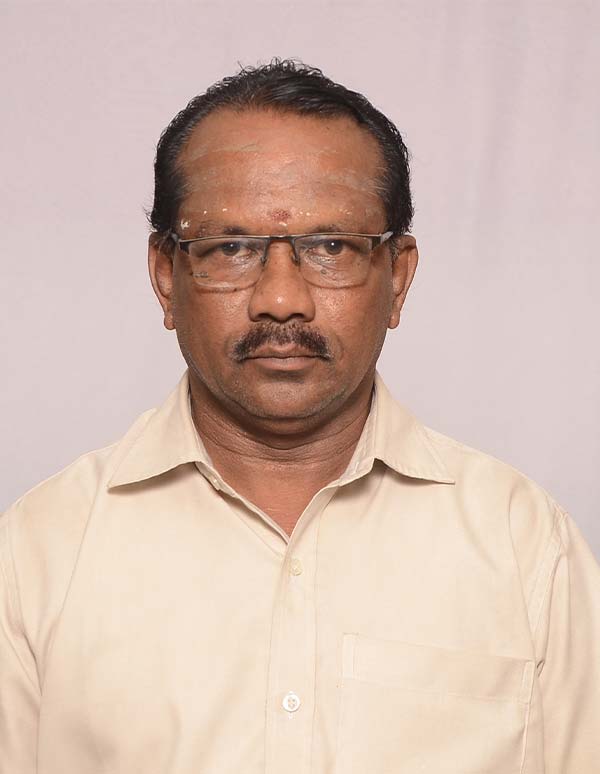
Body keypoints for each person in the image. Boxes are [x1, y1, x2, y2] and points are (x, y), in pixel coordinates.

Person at [1, 59, 598, 774]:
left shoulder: (526, 547)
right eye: (231, 247)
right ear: (165, 276)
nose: (281, 300)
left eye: (330, 247)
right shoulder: (36, 555)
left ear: (398, 277)